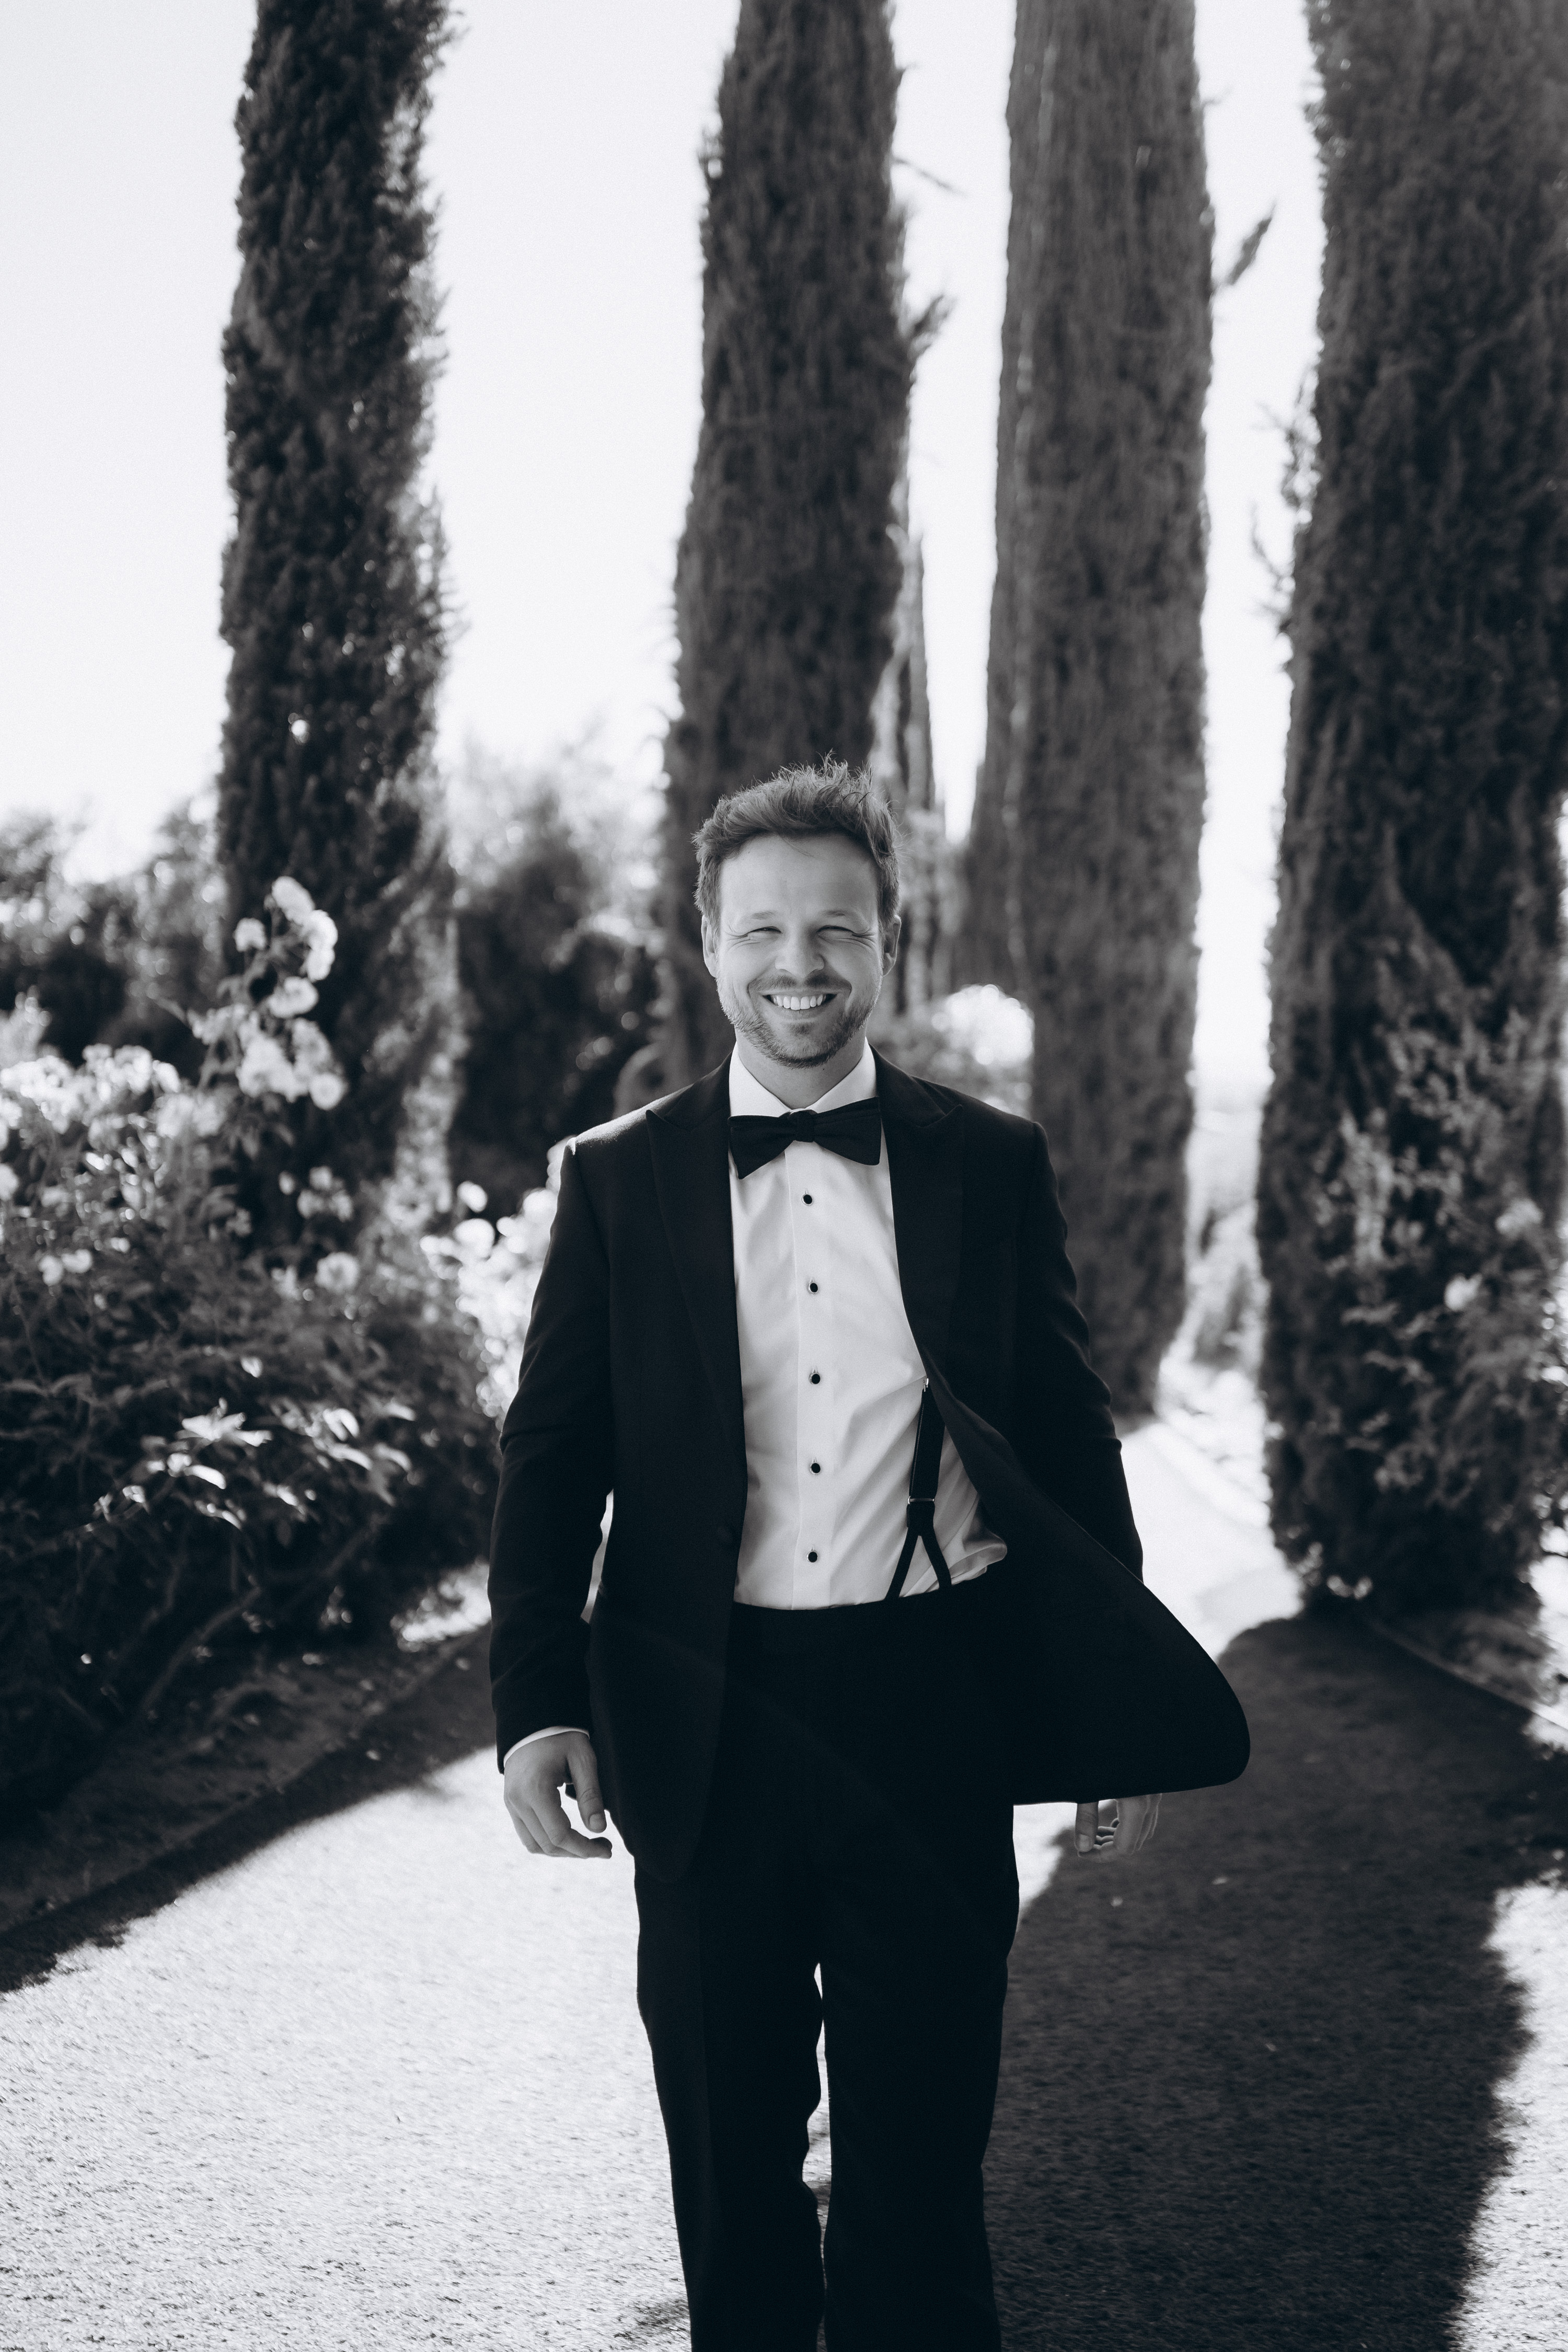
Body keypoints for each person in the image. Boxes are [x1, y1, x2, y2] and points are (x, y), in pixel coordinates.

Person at [488, 759, 1246, 2352]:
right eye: (762, 928)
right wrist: (536, 1699)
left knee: (917, 2174)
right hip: (708, 1715)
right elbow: (552, 1459)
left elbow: (1066, 1432)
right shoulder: (618, 1180)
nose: (799, 964)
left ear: (887, 942)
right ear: (708, 943)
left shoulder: (991, 1159)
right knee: (731, 2167)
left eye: (836, 927)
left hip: (933, 1706)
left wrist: (1108, 1691)